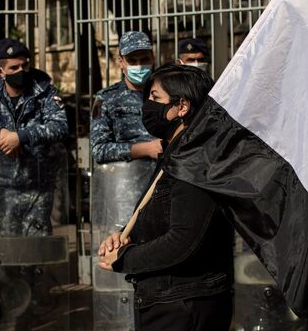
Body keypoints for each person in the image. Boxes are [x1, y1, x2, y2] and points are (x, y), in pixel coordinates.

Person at [98, 64, 233, 331]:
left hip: (183, 305)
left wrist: (126, 258)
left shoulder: (194, 162)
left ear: (181, 107)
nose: (146, 106)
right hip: (170, 300)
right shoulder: (176, 153)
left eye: (155, 98)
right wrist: (125, 235)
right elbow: (159, 215)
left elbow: (183, 240)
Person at [0, 38, 68, 236]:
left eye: (25, 65)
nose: (21, 71)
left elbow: (59, 126)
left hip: (38, 186)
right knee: (8, 250)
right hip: (3, 187)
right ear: (1, 72)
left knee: (36, 251)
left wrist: (21, 136)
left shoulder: (45, 93)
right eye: (14, 67)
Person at [90, 31, 162, 165]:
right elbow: (98, 150)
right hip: (126, 179)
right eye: (132, 61)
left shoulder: (167, 93)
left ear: (153, 58)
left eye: (144, 59)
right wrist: (146, 149)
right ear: (121, 61)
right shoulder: (106, 99)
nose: (139, 65)